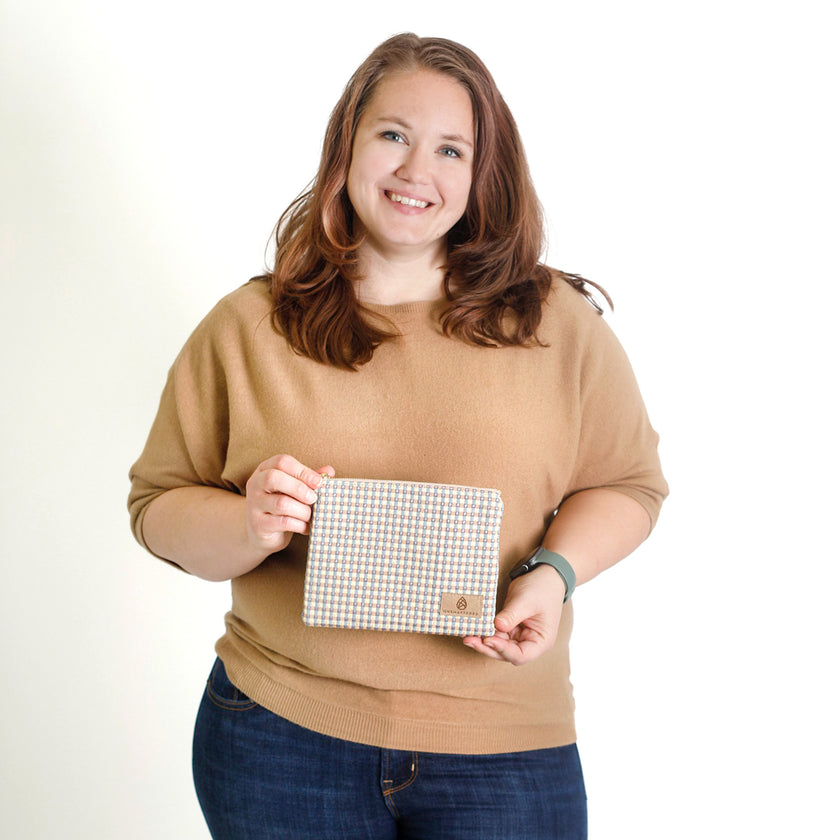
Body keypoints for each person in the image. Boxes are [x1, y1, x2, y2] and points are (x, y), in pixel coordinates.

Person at [128, 33, 667, 840]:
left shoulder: (558, 325)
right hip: (279, 736)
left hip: (505, 749)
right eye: (393, 135)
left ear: (484, 175)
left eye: (452, 148)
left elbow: (628, 483)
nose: (418, 171)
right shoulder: (247, 326)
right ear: (347, 146)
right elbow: (157, 507)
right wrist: (247, 523)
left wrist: (553, 574)